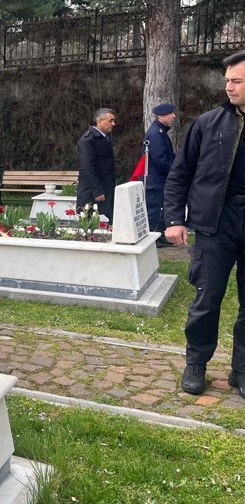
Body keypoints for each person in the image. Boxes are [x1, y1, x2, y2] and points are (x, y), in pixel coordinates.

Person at [165, 50, 245, 399]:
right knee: (207, 298)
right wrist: (174, 219)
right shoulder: (208, 123)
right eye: (227, 80)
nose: (229, 87)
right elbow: (179, 174)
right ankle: (196, 363)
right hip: (216, 223)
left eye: (237, 81)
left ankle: (241, 371)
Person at [143, 103, 176, 247]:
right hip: (155, 181)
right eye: (170, 114)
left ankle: (159, 235)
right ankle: (150, 237)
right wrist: (174, 173)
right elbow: (160, 159)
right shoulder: (156, 133)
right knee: (153, 211)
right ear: (161, 116)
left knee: (160, 209)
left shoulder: (160, 132)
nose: (173, 116)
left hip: (158, 180)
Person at [77, 108, 117, 222]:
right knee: (89, 224)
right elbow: (87, 168)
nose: (113, 124)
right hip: (93, 191)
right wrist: (97, 190)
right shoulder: (88, 140)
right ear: (99, 121)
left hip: (106, 186)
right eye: (110, 121)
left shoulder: (105, 137)